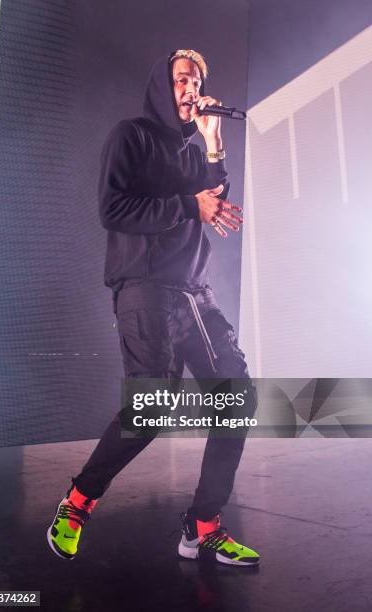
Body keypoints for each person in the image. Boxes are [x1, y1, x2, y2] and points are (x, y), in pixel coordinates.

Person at [47, 49, 260, 566]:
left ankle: (202, 526)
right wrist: (190, 204)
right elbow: (112, 208)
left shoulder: (194, 148)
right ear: (163, 86)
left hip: (193, 290)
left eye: (198, 80)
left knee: (236, 400)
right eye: (183, 79)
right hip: (143, 284)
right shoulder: (131, 136)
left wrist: (213, 144)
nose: (192, 88)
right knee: (153, 404)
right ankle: (78, 502)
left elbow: (212, 199)